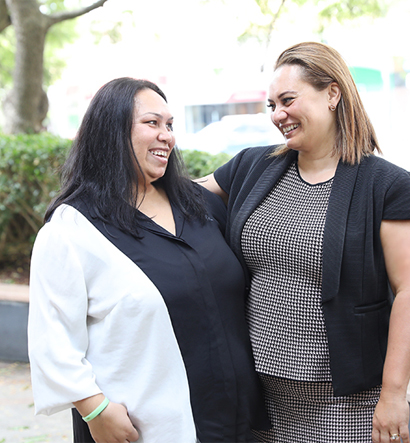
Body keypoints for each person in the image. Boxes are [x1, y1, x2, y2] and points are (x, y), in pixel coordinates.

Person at [199, 42, 410, 443]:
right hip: (261, 401)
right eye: (272, 105)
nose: (278, 114)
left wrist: (394, 395)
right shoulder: (252, 166)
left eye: (288, 100)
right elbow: (182, 199)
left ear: (332, 94)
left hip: (346, 404)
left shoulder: (386, 185)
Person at [27, 77, 270, 443]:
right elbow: (52, 337)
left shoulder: (198, 205)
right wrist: (95, 409)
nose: (166, 136)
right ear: (112, 131)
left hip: (233, 422)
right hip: (146, 429)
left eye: (169, 125)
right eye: (152, 123)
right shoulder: (73, 229)